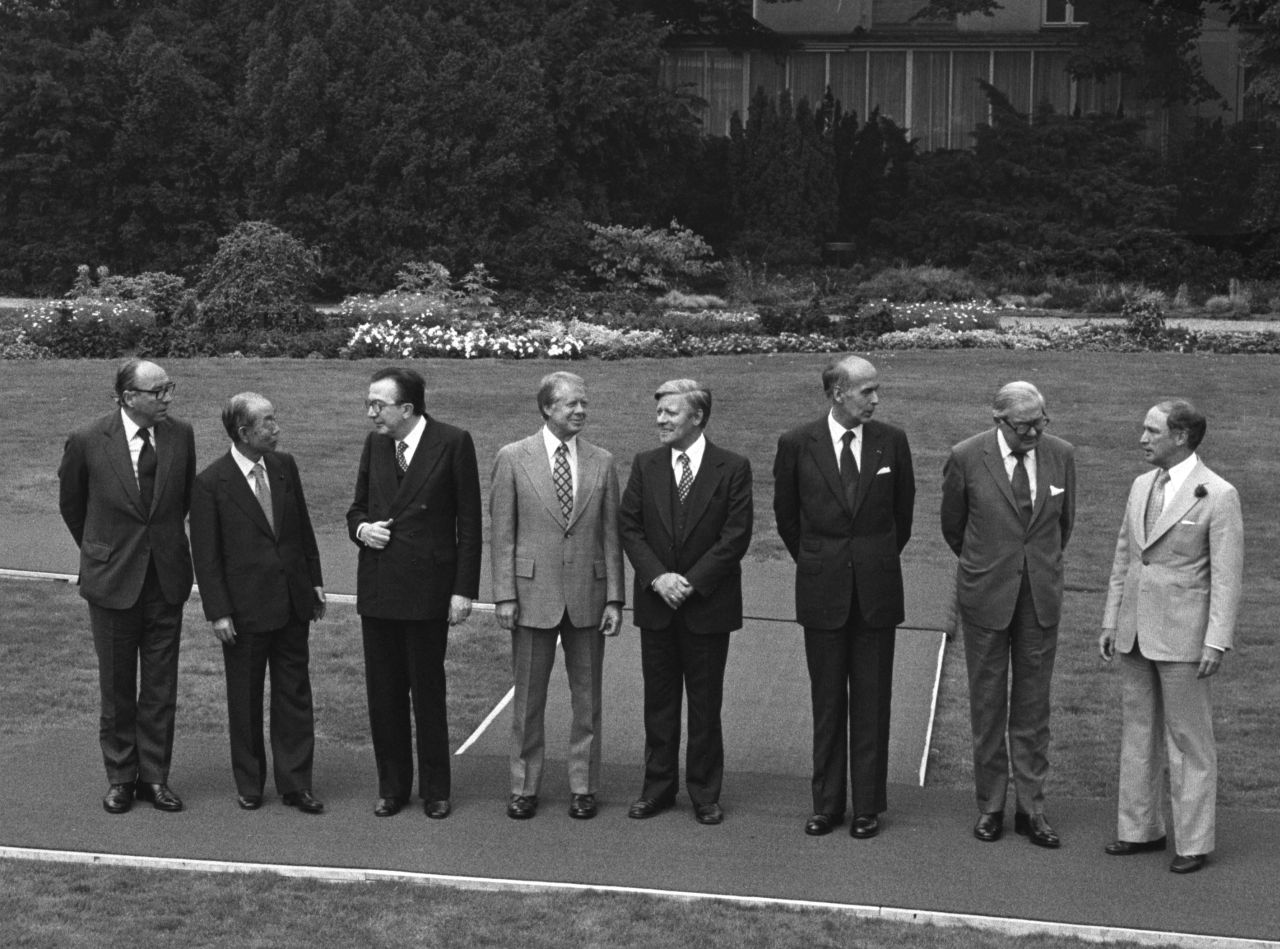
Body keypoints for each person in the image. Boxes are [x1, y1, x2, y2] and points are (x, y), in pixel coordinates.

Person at [772, 355, 914, 839]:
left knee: (873, 702)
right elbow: (787, 517)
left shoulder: (892, 441)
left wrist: (867, 561)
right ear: (837, 394)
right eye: (865, 391)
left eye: (876, 391)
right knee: (828, 702)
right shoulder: (796, 443)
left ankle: (867, 806)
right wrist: (820, 561)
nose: (875, 399)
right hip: (822, 590)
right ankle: (827, 805)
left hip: (876, 592)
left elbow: (903, 517)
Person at [1099, 399, 1243, 875]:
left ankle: (1194, 841)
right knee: (1138, 732)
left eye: (1151, 431)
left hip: (1185, 636)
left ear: (1180, 437)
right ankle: (1138, 830)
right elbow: (1125, 555)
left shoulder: (1218, 495)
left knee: (1188, 740)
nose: (1142, 439)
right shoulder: (1142, 484)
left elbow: (1227, 576)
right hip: (1134, 631)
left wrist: (1216, 640)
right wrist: (1110, 619)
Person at [940, 381, 1075, 848]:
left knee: (1034, 708)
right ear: (999, 421)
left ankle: (1031, 809)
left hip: (1039, 598)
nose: (1035, 432)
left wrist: (1034, 567)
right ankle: (991, 806)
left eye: (1041, 421)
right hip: (985, 597)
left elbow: (1064, 526)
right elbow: (953, 528)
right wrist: (991, 565)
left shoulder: (1061, 454)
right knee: (988, 703)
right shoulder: (965, 456)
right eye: (1025, 426)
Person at [58, 358, 195, 814]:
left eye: (168, 389)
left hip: (166, 582)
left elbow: (183, 503)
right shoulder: (87, 440)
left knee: (160, 688)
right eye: (157, 392)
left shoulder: (181, 435)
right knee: (117, 688)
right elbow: (73, 505)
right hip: (113, 582)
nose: (167, 398)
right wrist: (104, 552)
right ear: (128, 396)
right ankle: (121, 778)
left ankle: (155, 778)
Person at [347, 367, 482, 819]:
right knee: (383, 694)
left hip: (428, 590)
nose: (370, 414)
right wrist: (364, 530)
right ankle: (393, 786)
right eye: (369, 404)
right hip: (381, 589)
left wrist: (463, 590)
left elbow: (470, 523)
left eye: (377, 405)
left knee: (427, 692)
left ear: (407, 408)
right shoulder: (376, 444)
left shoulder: (453, 442)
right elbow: (356, 509)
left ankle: (436, 789)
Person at [490, 371, 624, 820]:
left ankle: (583, 786)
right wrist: (504, 595)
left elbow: (611, 536)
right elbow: (502, 534)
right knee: (528, 699)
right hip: (531, 596)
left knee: (588, 701)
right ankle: (523, 787)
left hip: (589, 594)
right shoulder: (512, 458)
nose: (581, 411)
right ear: (547, 407)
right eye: (571, 404)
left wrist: (615, 599)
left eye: (584, 403)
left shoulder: (603, 461)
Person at [619, 379, 753, 826]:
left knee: (704, 703)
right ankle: (657, 788)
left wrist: (689, 583)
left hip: (707, 607)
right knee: (658, 703)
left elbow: (735, 537)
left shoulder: (732, 467)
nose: (660, 420)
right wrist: (658, 578)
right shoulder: (645, 464)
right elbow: (630, 528)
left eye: (670, 413)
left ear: (696, 417)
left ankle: (704, 792)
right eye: (658, 412)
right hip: (658, 605)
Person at [189, 393, 327, 813]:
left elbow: (301, 528)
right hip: (244, 613)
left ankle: (295, 783)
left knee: (294, 696)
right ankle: (250, 783)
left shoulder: (284, 467)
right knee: (245, 699)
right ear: (244, 433)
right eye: (268, 422)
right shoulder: (211, 483)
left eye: (275, 419)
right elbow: (206, 555)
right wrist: (218, 611)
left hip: (291, 604)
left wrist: (315, 583)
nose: (276, 428)